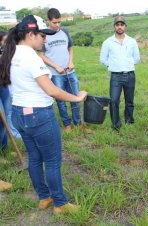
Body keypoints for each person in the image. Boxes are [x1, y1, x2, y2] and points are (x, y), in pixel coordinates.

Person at [0, 14, 87, 214]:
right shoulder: (31, 57)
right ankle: (60, 204)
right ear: (31, 34)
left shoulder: (10, 53)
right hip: (39, 115)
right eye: (42, 35)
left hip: (19, 114)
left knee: (35, 159)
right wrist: (77, 98)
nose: (45, 39)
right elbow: (52, 90)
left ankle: (44, 197)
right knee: (53, 161)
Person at [38, 8, 89, 133]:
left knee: (75, 97)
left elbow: (70, 48)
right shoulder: (44, 35)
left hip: (70, 72)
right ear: (48, 21)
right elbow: (41, 55)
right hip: (56, 74)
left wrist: (71, 62)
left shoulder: (65, 32)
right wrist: (56, 66)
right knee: (61, 101)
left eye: (59, 22)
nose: (57, 25)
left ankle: (78, 123)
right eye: (54, 22)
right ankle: (67, 124)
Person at [100, 16, 140, 131]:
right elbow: (103, 59)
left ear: (125, 26)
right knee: (113, 100)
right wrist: (113, 65)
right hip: (116, 76)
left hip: (130, 75)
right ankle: (116, 124)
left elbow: (136, 58)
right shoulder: (108, 42)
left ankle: (129, 121)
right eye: (117, 25)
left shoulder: (132, 41)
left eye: (122, 25)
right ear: (114, 26)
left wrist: (126, 63)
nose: (120, 27)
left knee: (129, 100)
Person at [1, 30, 21, 139]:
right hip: (4, 85)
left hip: (7, 85)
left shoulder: (9, 50)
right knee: (5, 113)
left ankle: (13, 133)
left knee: (10, 111)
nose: (6, 42)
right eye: (4, 40)